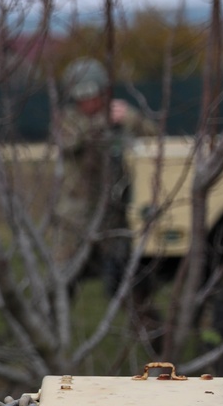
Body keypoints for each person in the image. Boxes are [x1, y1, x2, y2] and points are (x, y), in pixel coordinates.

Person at [55, 57, 157, 303]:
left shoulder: (121, 116)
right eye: (82, 97)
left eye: (92, 95)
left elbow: (153, 138)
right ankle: (51, 337)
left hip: (114, 216)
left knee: (126, 286)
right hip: (76, 218)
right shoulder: (68, 119)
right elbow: (70, 142)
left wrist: (130, 119)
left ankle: (152, 334)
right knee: (60, 284)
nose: (88, 103)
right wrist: (103, 123)